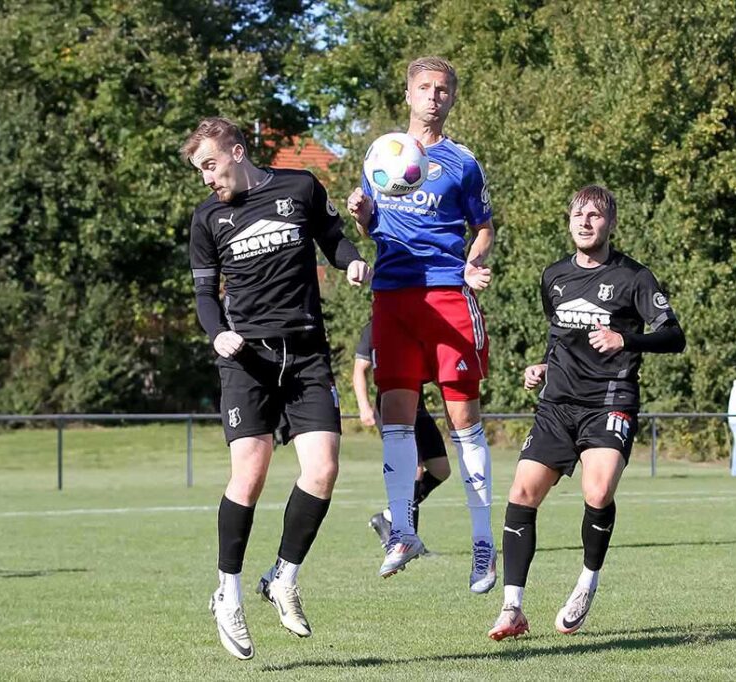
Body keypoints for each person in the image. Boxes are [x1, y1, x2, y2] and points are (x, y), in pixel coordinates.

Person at [182, 117, 371, 660]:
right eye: (200, 171)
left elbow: (333, 242)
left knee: (325, 469)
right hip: (247, 359)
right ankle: (229, 592)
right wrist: (218, 335)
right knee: (251, 472)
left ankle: (283, 577)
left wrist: (354, 260)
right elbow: (203, 296)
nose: (206, 178)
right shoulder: (207, 218)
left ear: (237, 152)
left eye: (210, 165)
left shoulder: (300, 186)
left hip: (306, 353)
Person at [488, 186, 686, 640]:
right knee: (521, 493)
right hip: (557, 404)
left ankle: (585, 583)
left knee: (597, 493)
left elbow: (674, 337)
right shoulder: (553, 276)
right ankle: (512, 607)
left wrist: (626, 339)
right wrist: (542, 364)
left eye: (594, 216)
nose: (584, 222)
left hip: (610, 400)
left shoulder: (635, 278)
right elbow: (559, 333)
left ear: (610, 223)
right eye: (578, 215)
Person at [346, 56, 497, 592]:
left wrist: (473, 263)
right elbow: (373, 227)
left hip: (447, 295)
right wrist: (361, 213)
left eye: (443, 89)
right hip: (392, 298)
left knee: (464, 424)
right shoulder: (382, 154)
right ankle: (402, 531)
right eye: (425, 88)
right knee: (396, 420)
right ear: (408, 94)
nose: (433, 97)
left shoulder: (462, 162)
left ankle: (483, 542)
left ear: (452, 97)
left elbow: (483, 228)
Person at [352, 321, 451, 547]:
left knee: (441, 470)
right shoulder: (373, 328)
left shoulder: (413, 324)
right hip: (390, 404)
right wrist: (364, 407)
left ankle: (389, 515)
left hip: (419, 405)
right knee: (413, 469)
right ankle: (406, 540)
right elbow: (360, 370)